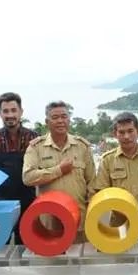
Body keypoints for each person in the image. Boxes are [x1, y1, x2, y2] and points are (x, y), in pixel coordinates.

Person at [90, 112, 138, 259]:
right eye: (121, 132)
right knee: (121, 262)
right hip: (119, 221)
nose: (126, 136)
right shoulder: (108, 160)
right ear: (115, 134)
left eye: (130, 131)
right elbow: (102, 191)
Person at [22, 101, 95, 238]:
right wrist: (58, 170)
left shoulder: (82, 146)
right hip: (49, 222)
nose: (60, 121)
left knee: (79, 257)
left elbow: (92, 182)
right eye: (55, 118)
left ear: (69, 119)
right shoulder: (36, 147)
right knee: (52, 258)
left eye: (64, 116)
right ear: (47, 121)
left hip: (78, 220)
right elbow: (28, 177)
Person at [0, 92, 39, 244]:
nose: (10, 115)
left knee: (26, 249)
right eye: (5, 111)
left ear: (21, 112)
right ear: (0, 113)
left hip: (27, 202)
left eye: (13, 110)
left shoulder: (34, 139)